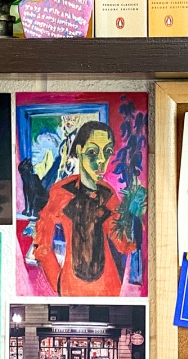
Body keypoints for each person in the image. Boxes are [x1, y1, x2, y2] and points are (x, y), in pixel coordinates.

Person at [33, 121, 137, 297]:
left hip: (109, 288)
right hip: (70, 288)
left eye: (107, 152)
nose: (101, 161)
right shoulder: (61, 192)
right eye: (92, 152)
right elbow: (42, 247)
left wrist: (133, 216)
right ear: (79, 151)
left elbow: (124, 245)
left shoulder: (108, 193)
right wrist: (58, 285)